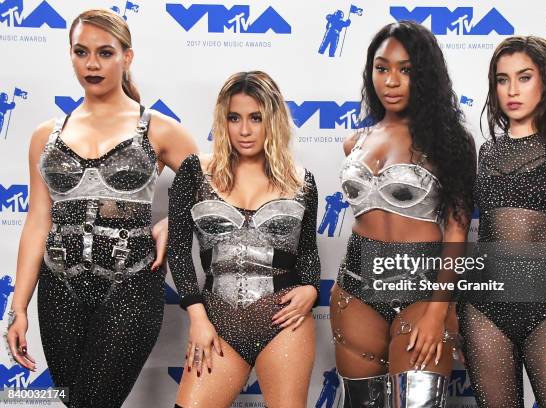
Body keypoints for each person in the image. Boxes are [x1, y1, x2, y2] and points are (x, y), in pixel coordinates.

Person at [5, 9, 197, 407]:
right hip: (58, 291)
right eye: (81, 51)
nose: (92, 64)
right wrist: (18, 307)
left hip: (130, 289)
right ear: (71, 55)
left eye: (105, 53)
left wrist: (171, 223)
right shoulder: (46, 135)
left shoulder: (157, 128)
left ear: (127, 57)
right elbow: (38, 220)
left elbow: (216, 184)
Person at [330, 21, 476, 407]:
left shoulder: (451, 143)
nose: (391, 81)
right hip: (354, 289)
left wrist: (438, 310)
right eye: (382, 68)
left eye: (405, 70)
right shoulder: (354, 142)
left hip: (423, 291)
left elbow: (457, 234)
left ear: (424, 76)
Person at [458, 36, 546, 407]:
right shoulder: (488, 152)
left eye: (524, 77)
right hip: (483, 311)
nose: (512, 90)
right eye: (502, 80)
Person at [168, 71, 320, 408]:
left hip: (285, 321)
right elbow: (178, 252)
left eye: (256, 118)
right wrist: (197, 317)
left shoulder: (301, 180)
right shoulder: (195, 172)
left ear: (273, 120)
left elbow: (307, 251)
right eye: (234, 118)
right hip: (216, 321)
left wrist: (311, 287)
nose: (245, 130)